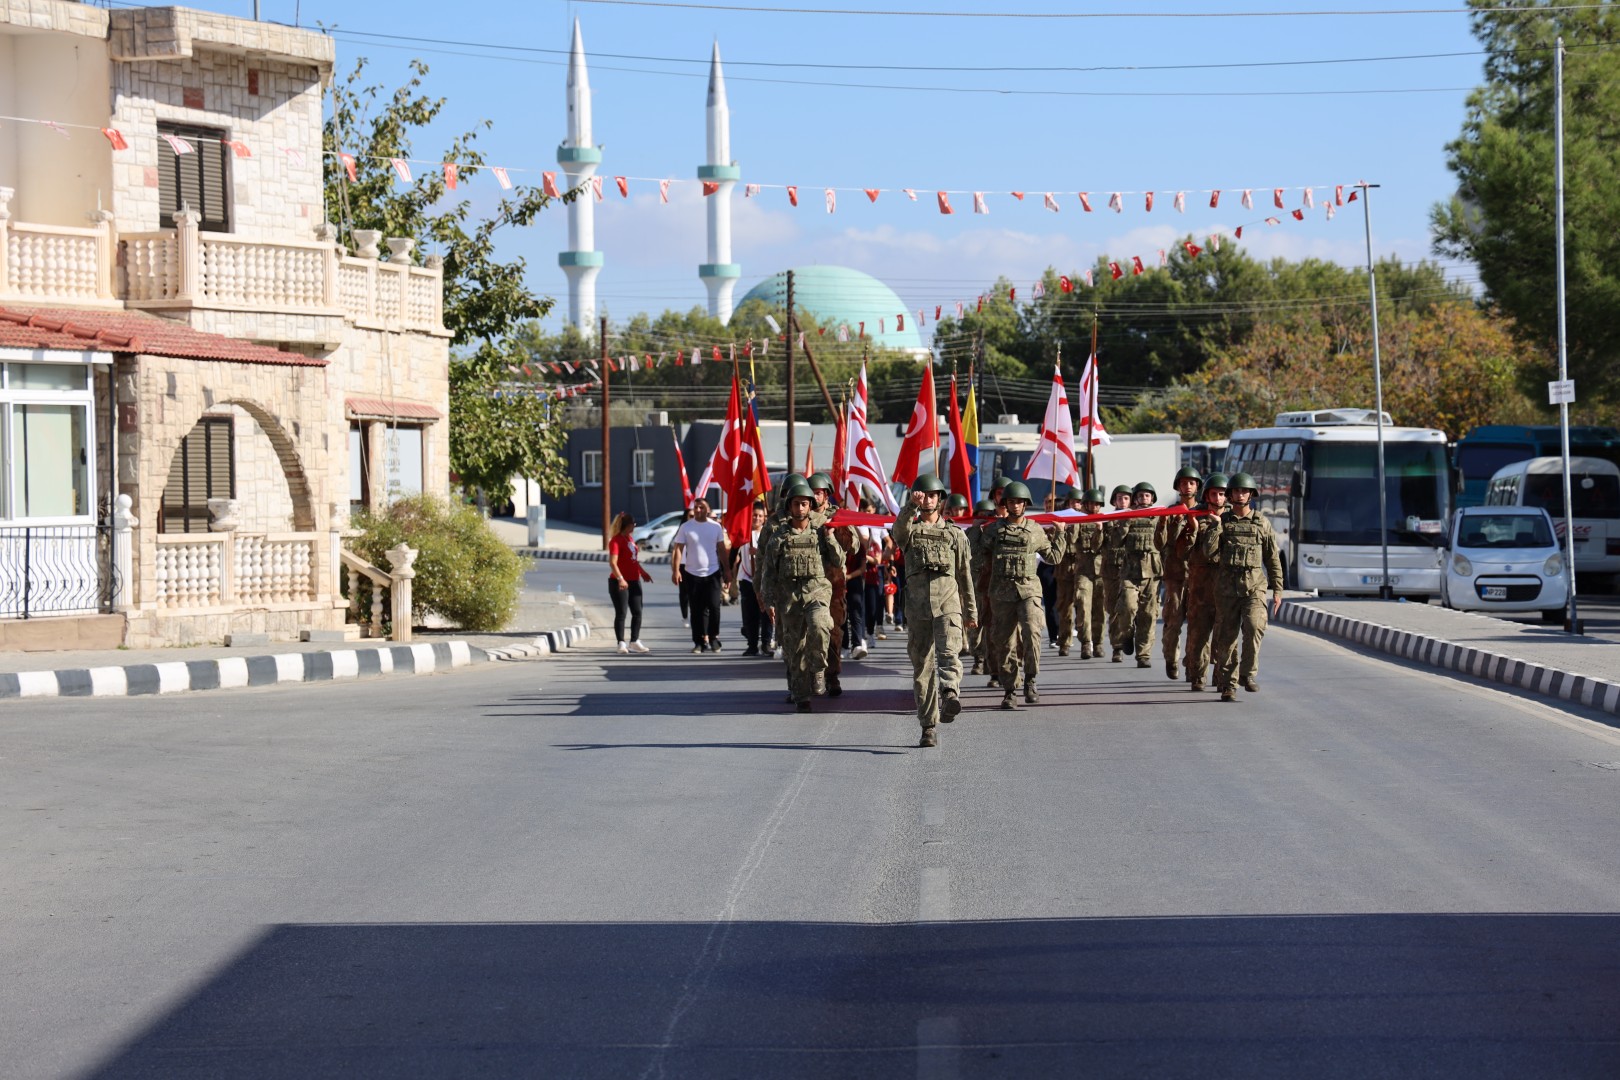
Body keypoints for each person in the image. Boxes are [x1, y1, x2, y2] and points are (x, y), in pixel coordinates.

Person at [892, 474, 978, 748]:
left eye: (932, 495)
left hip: (948, 606)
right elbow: (898, 534)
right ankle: (928, 725)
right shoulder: (911, 531)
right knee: (923, 668)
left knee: (949, 653)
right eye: (923, 494)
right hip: (917, 609)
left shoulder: (955, 534)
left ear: (940, 500)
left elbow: (965, 575)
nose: (927, 499)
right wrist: (910, 507)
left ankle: (951, 692)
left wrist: (971, 610)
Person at [757, 480, 844, 712]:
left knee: (820, 625)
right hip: (789, 598)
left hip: (817, 591)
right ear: (789, 506)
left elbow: (839, 561)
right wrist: (768, 600)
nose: (800, 509)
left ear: (810, 505)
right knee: (794, 648)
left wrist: (831, 538)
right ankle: (800, 694)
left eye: (804, 504)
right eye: (796, 504)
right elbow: (768, 570)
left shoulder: (822, 529)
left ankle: (818, 668)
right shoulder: (779, 535)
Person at [1204, 472, 1285, 702]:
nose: (1240, 494)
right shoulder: (1223, 521)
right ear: (1230, 494)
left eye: (1244, 491)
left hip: (1254, 587)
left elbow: (1272, 559)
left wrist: (1278, 590)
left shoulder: (1261, 522)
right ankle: (1228, 684)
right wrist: (1214, 528)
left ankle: (1247, 674)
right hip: (1227, 589)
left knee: (1254, 625)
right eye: (1236, 491)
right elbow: (1209, 554)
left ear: (1251, 494)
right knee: (1226, 638)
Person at [981, 480, 1060, 709]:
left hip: (1029, 591)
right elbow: (978, 553)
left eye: (1019, 502)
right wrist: (976, 528)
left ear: (1026, 505)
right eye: (1011, 502)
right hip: (1001, 594)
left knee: (1032, 634)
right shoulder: (994, 530)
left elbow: (1053, 557)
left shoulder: (1035, 529)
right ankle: (1009, 689)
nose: (1015, 506)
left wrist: (1061, 534)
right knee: (1004, 643)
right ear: (1005, 503)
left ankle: (1031, 680)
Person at [1180, 473, 1228, 691]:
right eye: (1213, 494)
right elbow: (1182, 551)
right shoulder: (1196, 516)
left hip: (1226, 586)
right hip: (1200, 585)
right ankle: (1198, 675)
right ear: (1206, 495)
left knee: (1224, 634)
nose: (1217, 498)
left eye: (1221, 494)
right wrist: (1191, 528)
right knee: (1198, 633)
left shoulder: (1234, 519)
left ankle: (1221, 676)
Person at [1155, 467, 1203, 679]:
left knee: (1197, 626)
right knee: (1172, 623)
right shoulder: (1171, 512)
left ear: (1198, 486)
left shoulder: (1205, 512)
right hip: (1175, 578)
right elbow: (1159, 544)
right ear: (1178, 486)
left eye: (1192, 482)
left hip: (1199, 578)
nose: (1188, 486)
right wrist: (1163, 525)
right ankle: (1170, 659)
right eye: (1184, 483)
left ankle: (1193, 663)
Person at [670, 497, 730, 653]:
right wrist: (675, 570)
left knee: (714, 606)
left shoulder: (715, 527)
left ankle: (714, 637)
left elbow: (722, 549)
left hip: (712, 572)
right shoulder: (686, 527)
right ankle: (699, 641)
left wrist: (728, 570)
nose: (698, 510)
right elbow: (678, 549)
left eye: (701, 507)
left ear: (708, 509)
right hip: (692, 573)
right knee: (696, 609)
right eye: (696, 507)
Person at [1069, 487, 1108, 659]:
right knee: (1083, 604)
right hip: (1083, 569)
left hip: (1101, 571)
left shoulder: (1106, 521)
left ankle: (1098, 642)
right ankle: (1086, 643)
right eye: (1090, 503)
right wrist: (1075, 523)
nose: (1093, 507)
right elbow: (1071, 541)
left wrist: (1100, 530)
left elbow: (1099, 546)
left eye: (1097, 504)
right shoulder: (1078, 520)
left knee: (1099, 609)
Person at [608, 511, 654, 654]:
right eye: (633, 524)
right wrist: (621, 579)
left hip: (634, 580)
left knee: (637, 612)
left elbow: (633, 560)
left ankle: (634, 641)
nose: (634, 526)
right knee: (621, 613)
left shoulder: (630, 539)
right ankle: (621, 643)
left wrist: (643, 572)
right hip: (618, 582)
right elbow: (613, 563)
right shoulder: (615, 541)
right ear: (628, 525)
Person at [735, 500, 774, 657]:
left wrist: (758, 552)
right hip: (746, 578)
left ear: (764, 517)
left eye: (760, 516)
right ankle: (752, 644)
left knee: (766, 612)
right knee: (749, 613)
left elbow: (774, 555)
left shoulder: (769, 533)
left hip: (765, 579)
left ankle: (766, 643)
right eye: (754, 516)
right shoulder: (743, 533)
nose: (757, 519)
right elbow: (733, 553)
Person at [1101, 484, 1133, 662]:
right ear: (1114, 500)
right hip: (1111, 570)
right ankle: (1117, 647)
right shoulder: (1106, 520)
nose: (1123, 501)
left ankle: (1129, 633)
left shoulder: (1137, 519)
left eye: (1126, 498)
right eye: (1119, 498)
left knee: (1131, 608)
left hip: (1132, 570)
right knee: (1113, 610)